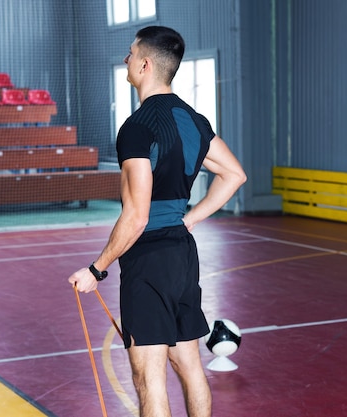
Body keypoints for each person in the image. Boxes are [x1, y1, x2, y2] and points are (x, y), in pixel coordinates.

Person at [67, 26, 247, 417]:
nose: (125, 60)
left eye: (130, 54)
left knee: (148, 378)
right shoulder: (193, 119)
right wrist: (190, 220)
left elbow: (136, 216)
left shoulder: (137, 128)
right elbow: (234, 174)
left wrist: (96, 269)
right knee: (189, 365)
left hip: (148, 261)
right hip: (182, 255)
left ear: (145, 64)